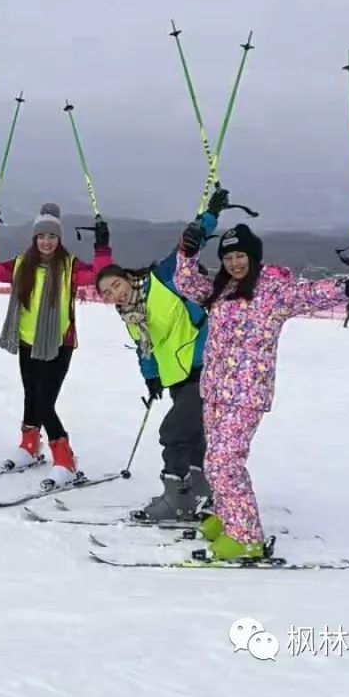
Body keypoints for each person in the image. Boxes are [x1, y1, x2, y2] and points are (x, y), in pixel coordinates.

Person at [174, 222, 349, 560]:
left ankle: (246, 537)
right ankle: (227, 517)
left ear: (253, 257)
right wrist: (187, 252)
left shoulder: (273, 291)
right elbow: (185, 282)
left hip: (247, 392)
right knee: (214, 462)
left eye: (241, 256)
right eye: (229, 257)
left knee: (226, 463)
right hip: (216, 389)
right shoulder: (222, 289)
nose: (235, 263)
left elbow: (310, 294)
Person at [95, 190, 228, 520]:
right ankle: (199, 492)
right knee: (195, 434)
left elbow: (187, 248)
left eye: (115, 285)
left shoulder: (162, 278)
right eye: (107, 293)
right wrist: (151, 376)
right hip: (176, 376)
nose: (115, 293)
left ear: (126, 276)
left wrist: (208, 216)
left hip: (205, 365)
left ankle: (176, 497)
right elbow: (146, 350)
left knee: (173, 433)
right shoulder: (129, 315)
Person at [0, 203, 112, 487]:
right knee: (31, 395)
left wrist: (102, 246)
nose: (47, 242)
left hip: (58, 344)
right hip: (27, 341)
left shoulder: (70, 266)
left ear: (59, 239)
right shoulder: (21, 265)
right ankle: (29, 446)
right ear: (34, 238)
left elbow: (101, 277)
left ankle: (65, 459)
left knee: (44, 402)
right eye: (42, 236)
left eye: (52, 236)